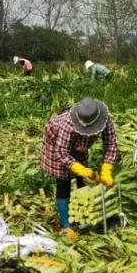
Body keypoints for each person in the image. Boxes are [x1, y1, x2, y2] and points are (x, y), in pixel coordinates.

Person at [40, 97, 118, 240]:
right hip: (57, 145)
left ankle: (82, 215)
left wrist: (107, 169)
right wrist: (79, 168)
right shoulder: (66, 124)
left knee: (82, 179)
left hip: (80, 146)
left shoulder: (105, 119)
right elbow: (61, 153)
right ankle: (66, 225)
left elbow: (111, 143)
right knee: (63, 180)